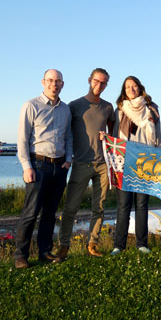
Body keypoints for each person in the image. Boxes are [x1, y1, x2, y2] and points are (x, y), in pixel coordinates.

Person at [14, 69, 72, 269]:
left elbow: (68, 137)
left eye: (57, 81)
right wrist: (26, 166)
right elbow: (22, 139)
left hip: (59, 166)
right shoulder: (31, 105)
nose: (53, 84)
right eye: (50, 80)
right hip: (38, 165)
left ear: (62, 84)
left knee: (50, 213)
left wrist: (69, 159)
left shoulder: (65, 109)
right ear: (43, 82)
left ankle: (45, 252)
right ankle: (21, 255)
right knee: (30, 213)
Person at [57, 68, 115, 259]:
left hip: (102, 165)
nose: (100, 85)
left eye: (104, 83)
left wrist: (107, 137)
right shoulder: (74, 105)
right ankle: (63, 245)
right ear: (90, 80)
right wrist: (67, 158)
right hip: (81, 163)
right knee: (70, 208)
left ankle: (92, 244)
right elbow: (65, 134)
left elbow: (114, 137)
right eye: (97, 81)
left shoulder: (108, 108)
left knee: (99, 206)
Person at [110, 76, 161, 255]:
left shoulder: (152, 109)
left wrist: (158, 158)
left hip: (146, 162)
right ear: (124, 91)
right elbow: (115, 136)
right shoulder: (120, 110)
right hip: (124, 162)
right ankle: (119, 245)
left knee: (142, 205)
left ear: (140, 88)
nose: (131, 89)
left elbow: (158, 137)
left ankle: (142, 244)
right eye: (127, 87)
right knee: (123, 205)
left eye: (134, 86)